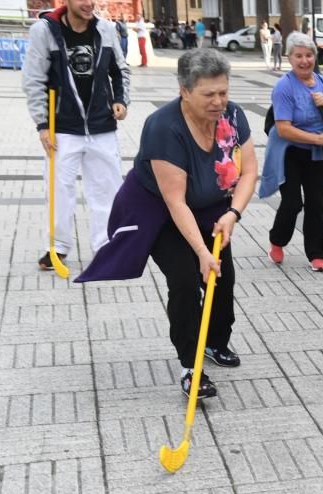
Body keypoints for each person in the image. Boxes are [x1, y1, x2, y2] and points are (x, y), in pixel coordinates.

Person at [77, 49, 257, 399]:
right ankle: (191, 367)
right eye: (209, 94)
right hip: (158, 210)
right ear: (184, 91)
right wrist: (202, 251)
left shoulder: (233, 116)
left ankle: (216, 341)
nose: (219, 101)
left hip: (211, 207)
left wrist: (233, 213)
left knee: (223, 278)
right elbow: (175, 201)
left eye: (223, 91)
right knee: (186, 279)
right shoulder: (163, 127)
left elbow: (249, 170)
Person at [22, 0, 130, 270]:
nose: (89, 3)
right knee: (58, 191)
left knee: (107, 190)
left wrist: (120, 100)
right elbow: (34, 79)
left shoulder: (105, 28)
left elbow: (120, 70)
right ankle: (58, 247)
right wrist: (42, 125)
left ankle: (106, 246)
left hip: (101, 125)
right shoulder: (45, 30)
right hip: (62, 128)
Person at [259, 32, 323, 272]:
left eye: (309, 55)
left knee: (316, 203)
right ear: (289, 57)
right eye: (299, 55)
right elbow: (284, 129)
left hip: (316, 153)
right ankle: (277, 240)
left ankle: (316, 254)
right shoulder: (283, 87)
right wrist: (318, 138)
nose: (304, 60)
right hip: (289, 152)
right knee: (292, 202)